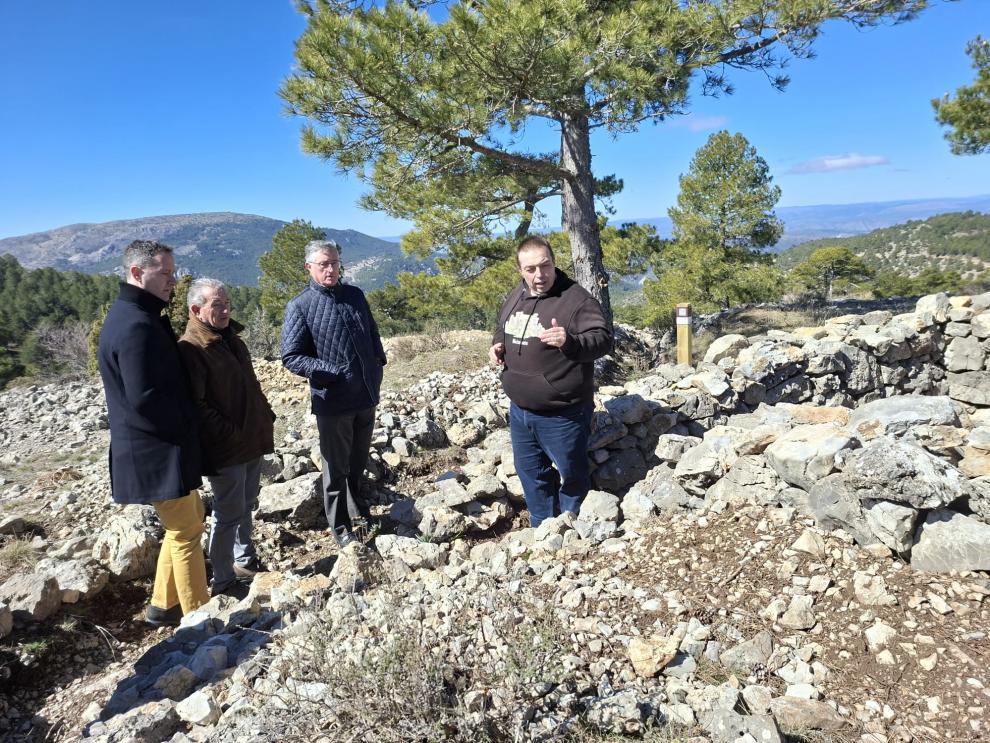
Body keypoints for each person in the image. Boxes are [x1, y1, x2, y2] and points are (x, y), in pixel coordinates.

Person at [97, 240, 208, 626]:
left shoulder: (137, 315)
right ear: (136, 273)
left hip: (162, 447)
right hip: (157, 450)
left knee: (188, 517)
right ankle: (200, 618)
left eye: (173, 272)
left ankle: (162, 605)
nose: (173, 281)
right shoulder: (135, 325)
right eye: (164, 273)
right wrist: (189, 424)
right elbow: (144, 397)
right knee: (186, 531)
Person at [490, 235, 612, 528]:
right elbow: (502, 327)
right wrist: (496, 345)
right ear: (520, 270)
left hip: (562, 412)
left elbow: (603, 340)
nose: (539, 275)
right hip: (520, 410)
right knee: (531, 473)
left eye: (545, 266)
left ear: (554, 263)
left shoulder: (575, 299)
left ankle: (571, 527)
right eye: (530, 269)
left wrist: (570, 342)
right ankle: (542, 527)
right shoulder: (516, 295)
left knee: (571, 473)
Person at [281, 239, 387, 547]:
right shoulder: (300, 306)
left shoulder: (354, 295)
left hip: (366, 395)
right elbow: (291, 356)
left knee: (357, 461)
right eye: (324, 264)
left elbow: (372, 331)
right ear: (309, 268)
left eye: (335, 263)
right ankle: (341, 529)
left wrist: (378, 363)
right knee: (335, 469)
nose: (331, 269)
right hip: (333, 401)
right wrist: (330, 372)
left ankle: (357, 510)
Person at [178, 278, 275, 597]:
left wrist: (265, 416)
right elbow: (196, 405)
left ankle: (245, 561)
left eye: (227, 303)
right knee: (227, 512)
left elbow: (250, 385)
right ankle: (222, 580)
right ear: (196, 309)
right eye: (217, 304)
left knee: (245, 505)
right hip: (226, 449)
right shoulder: (192, 347)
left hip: (251, 440)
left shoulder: (231, 338)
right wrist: (230, 434)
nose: (225, 309)